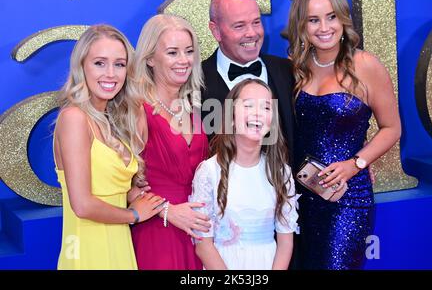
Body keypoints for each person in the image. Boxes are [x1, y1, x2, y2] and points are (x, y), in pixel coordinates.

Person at [287, 0, 402, 269]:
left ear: (343, 19)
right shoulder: (294, 68)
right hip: (300, 195)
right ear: (302, 25)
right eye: (314, 20)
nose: (324, 28)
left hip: (347, 197)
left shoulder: (366, 66)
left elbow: (392, 128)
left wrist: (356, 164)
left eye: (331, 17)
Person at [53, 24, 165, 270]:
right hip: (88, 253)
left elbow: (105, 187)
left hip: (120, 249)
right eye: (100, 63)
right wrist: (134, 215)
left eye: (120, 64)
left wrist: (130, 191)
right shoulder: (74, 118)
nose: (111, 74)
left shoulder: (112, 121)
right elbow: (82, 204)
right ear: (81, 66)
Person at [191, 79, 298, 270]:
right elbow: (203, 245)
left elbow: (285, 242)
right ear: (231, 116)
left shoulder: (281, 173)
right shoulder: (208, 172)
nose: (258, 113)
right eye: (248, 105)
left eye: (266, 107)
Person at [130, 14, 210, 270]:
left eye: (188, 51)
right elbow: (120, 183)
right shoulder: (137, 111)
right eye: (173, 52)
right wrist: (168, 211)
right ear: (150, 58)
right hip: (158, 231)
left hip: (198, 233)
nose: (184, 60)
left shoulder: (191, 108)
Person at [201, 0, 295, 164]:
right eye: (239, 25)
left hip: (285, 188)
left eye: (256, 22)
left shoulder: (288, 71)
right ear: (216, 31)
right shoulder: (194, 82)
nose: (252, 33)